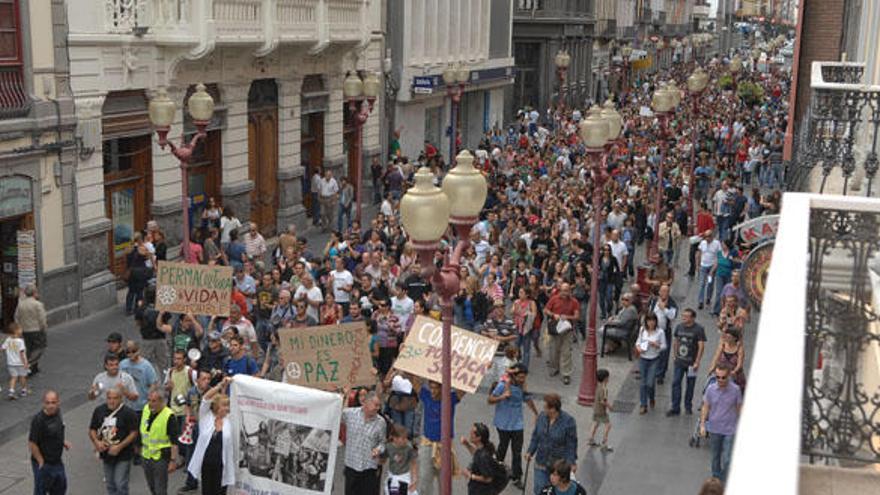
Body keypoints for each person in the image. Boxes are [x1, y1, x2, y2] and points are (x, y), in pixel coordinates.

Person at [488, 363, 537, 489]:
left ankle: (516, 477)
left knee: (517, 452)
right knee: (502, 448)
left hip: (517, 424)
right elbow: (490, 400)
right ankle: (496, 472)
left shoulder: (522, 386)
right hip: (503, 424)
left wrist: (536, 413)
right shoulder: (502, 385)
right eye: (520, 377)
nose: (522, 379)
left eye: (524, 377)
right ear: (514, 376)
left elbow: (527, 399)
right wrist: (503, 397)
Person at [187, 376, 235, 495]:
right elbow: (205, 398)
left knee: (220, 492)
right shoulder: (205, 417)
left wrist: (226, 387)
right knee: (207, 491)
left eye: (228, 406)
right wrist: (220, 385)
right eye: (224, 406)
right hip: (207, 464)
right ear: (216, 407)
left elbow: (223, 398)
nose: (227, 409)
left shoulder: (228, 420)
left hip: (222, 465)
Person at [88, 387, 139, 495]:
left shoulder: (129, 413)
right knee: (110, 484)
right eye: (109, 398)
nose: (111, 401)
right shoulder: (99, 411)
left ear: (121, 399)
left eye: (115, 398)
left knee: (120, 483)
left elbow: (134, 433)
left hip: (124, 454)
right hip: (106, 454)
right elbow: (92, 429)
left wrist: (119, 446)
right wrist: (97, 442)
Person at [418, 381, 464, 495]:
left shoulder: (451, 398)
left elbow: (464, 387)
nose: (432, 391)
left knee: (444, 483)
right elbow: (413, 379)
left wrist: (483, 367)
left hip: (445, 446)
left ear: (443, 389)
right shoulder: (426, 394)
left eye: (436, 388)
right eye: (431, 387)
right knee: (424, 480)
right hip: (427, 443)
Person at [526, 394, 577, 495]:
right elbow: (536, 436)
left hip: (557, 464)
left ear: (553, 409)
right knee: (539, 489)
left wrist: (571, 461)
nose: (543, 409)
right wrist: (530, 451)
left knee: (555, 490)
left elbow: (571, 444)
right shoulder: (541, 417)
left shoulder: (568, 421)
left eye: (545, 407)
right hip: (541, 460)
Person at [700, 363, 742, 483]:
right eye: (718, 377)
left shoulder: (735, 390)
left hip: (730, 429)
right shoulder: (710, 389)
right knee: (715, 457)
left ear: (728, 376)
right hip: (714, 428)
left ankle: (722, 479)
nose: (720, 380)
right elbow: (706, 407)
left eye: (723, 377)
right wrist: (703, 425)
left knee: (728, 458)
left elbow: (739, 408)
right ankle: (716, 479)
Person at [341, 390, 387, 495]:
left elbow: (383, 443)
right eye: (375, 405)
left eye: (379, 406)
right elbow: (336, 413)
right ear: (366, 403)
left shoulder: (381, 422)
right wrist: (343, 396)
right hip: (351, 466)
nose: (378, 408)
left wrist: (378, 449)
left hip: (369, 468)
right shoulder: (351, 414)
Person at [139, 389, 181, 495]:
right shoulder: (146, 409)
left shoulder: (169, 416)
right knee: (152, 486)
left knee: (160, 489)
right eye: (149, 400)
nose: (150, 404)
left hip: (161, 458)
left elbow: (174, 442)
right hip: (146, 456)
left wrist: (173, 460)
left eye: (154, 401)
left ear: (162, 402)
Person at [29, 390, 70, 495]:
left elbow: (57, 430)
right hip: (44, 464)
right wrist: (41, 461)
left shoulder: (58, 413)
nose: (51, 406)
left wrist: (63, 442)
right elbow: (32, 443)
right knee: (41, 490)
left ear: (58, 402)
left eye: (53, 402)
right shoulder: (38, 420)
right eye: (47, 403)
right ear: (43, 403)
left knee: (60, 488)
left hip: (57, 461)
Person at [667, 308, 707, 417]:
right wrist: (674, 355)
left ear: (692, 318)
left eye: (686, 316)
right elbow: (676, 341)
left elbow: (701, 346)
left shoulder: (699, 329)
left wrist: (697, 361)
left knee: (690, 385)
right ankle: (675, 407)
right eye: (683, 316)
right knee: (676, 383)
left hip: (691, 363)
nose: (683, 318)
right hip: (679, 361)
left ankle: (688, 406)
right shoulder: (679, 327)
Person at [543, 283, 580, 385]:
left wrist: (567, 317)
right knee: (554, 350)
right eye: (563, 290)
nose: (564, 293)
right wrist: (553, 315)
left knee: (566, 352)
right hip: (555, 329)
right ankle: (555, 368)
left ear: (569, 291)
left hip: (567, 330)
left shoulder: (574, 302)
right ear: (560, 290)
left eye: (566, 290)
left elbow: (576, 316)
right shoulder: (554, 299)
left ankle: (566, 374)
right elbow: (545, 310)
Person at [635, 313, 666, 414]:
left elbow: (664, 346)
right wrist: (639, 348)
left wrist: (656, 345)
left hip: (654, 359)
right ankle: (643, 405)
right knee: (643, 383)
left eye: (653, 320)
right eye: (649, 320)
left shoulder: (660, 332)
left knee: (650, 382)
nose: (651, 323)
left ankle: (651, 397)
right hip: (643, 358)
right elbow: (638, 342)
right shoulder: (642, 330)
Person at [14, 284, 47, 375]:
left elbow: (16, 317)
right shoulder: (37, 304)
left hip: (25, 330)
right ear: (34, 293)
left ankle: (33, 368)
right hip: (36, 330)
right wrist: (43, 327)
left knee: (29, 348)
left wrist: (20, 327)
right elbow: (42, 318)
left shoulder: (20, 304)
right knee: (40, 347)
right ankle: (29, 364)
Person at [120, 341, 158, 414]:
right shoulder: (122, 364)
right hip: (126, 405)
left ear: (139, 351)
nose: (131, 354)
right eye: (128, 352)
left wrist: (148, 398)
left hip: (142, 406)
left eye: (133, 351)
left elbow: (153, 383)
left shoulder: (146, 366)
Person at [460, 422, 498, 495]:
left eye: (472, 433)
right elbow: (476, 453)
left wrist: (470, 476)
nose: (470, 434)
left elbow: (488, 478)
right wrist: (466, 444)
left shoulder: (483, 456)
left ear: (479, 438)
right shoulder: (483, 450)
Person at [381, 424, 418, 495]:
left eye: (406, 438)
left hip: (404, 476)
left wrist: (414, 479)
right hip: (392, 476)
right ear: (395, 438)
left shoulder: (409, 448)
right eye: (403, 438)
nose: (406, 440)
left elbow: (413, 463)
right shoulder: (388, 447)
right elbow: (382, 460)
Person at [588, 368, 613, 451]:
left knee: (596, 423)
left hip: (595, 409)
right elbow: (603, 401)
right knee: (608, 425)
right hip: (601, 411)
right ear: (606, 378)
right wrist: (609, 406)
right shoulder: (604, 389)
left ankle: (591, 439)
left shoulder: (598, 386)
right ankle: (604, 443)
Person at [697, 230, 722, 310]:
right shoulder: (702, 243)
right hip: (703, 266)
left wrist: (713, 270)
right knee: (702, 284)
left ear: (712, 237)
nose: (707, 238)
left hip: (712, 267)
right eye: (706, 237)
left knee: (710, 283)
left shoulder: (717, 244)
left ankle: (708, 297)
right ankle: (700, 301)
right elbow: (699, 253)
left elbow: (718, 257)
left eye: (709, 236)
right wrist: (697, 265)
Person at [3, 322, 29, 399]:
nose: (21, 330)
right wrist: (25, 363)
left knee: (13, 377)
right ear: (16, 331)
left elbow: (2, 348)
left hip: (10, 363)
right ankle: (24, 390)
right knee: (22, 377)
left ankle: (11, 391)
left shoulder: (8, 340)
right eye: (20, 329)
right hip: (20, 363)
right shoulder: (20, 341)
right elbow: (22, 353)